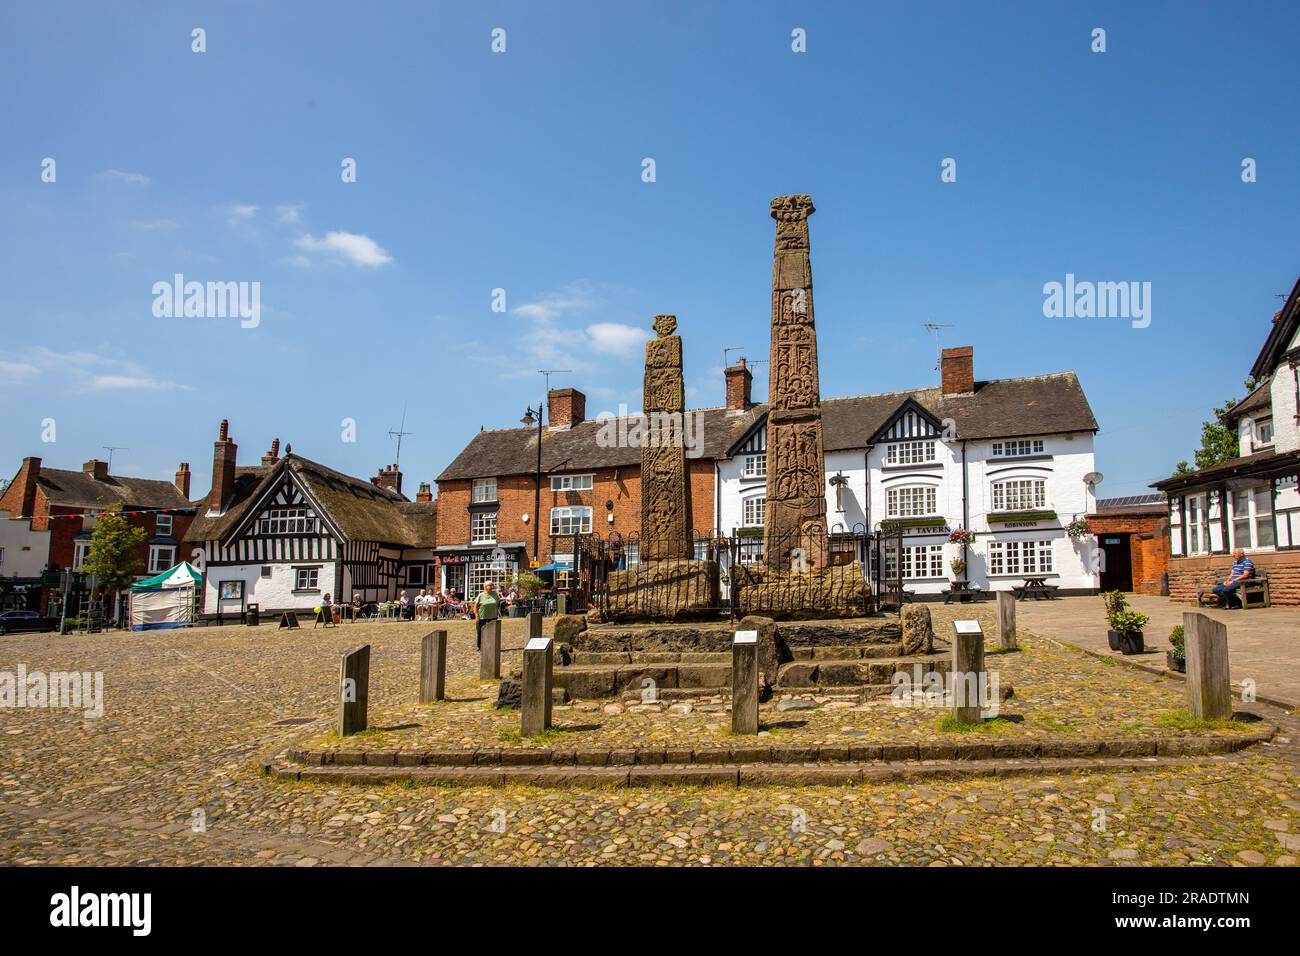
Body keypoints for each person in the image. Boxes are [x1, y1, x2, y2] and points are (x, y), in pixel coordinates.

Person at [471, 580, 501, 650]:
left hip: (493, 616)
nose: (491, 587)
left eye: (492, 585)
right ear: (485, 587)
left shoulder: (495, 594)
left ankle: (491, 645)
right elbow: (475, 606)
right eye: (489, 585)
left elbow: (497, 603)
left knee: (492, 632)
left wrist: (497, 612)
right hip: (482, 616)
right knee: (480, 631)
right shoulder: (481, 595)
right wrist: (477, 616)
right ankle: (479, 646)